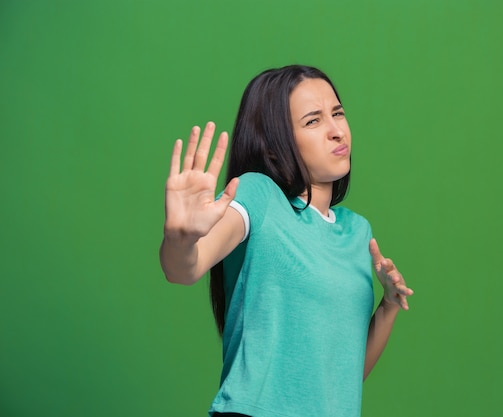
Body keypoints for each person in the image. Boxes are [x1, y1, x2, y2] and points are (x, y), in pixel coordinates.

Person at [159, 65, 413, 417]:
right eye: (313, 121)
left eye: (337, 113)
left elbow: (340, 379)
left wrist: (387, 306)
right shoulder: (258, 196)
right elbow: (185, 268)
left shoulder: (359, 234)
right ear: (275, 147)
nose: (337, 131)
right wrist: (181, 239)